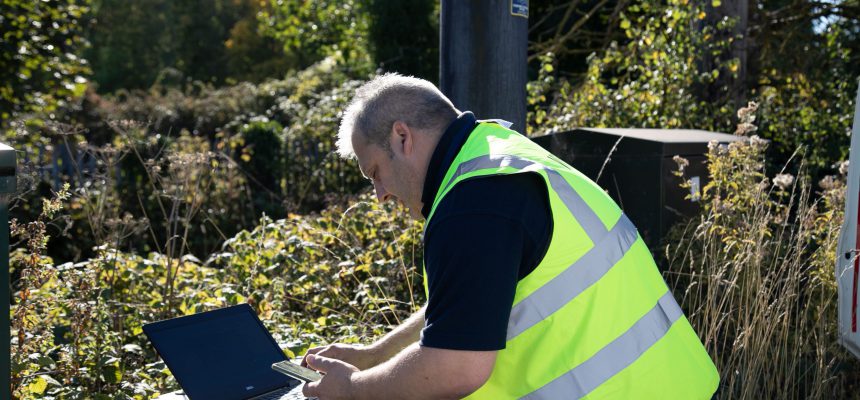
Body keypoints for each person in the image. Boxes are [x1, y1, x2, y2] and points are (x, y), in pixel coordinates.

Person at [301, 73, 719, 399]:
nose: (380, 195)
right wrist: (377, 355)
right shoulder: (500, 155)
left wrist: (355, 389)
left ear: (402, 136)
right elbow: (468, 303)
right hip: (674, 384)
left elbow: (454, 368)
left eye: (374, 172)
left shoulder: (473, 202)